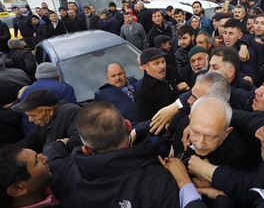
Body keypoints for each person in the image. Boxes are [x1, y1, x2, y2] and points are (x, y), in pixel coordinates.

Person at [43, 102, 180, 208]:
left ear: (85, 149)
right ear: (128, 126)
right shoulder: (160, 179)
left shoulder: (65, 172)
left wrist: (58, 144)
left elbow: (53, 160)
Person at [11, 89, 82, 153]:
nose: (30, 120)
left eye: (33, 115)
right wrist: (14, 151)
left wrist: (59, 145)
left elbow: (80, 139)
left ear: (50, 110)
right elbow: (33, 139)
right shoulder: (44, 120)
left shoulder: (71, 113)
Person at [21, 62, 77, 135]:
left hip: (34, 136)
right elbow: (71, 113)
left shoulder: (26, 91)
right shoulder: (65, 88)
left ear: (37, 78)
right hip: (60, 134)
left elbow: (26, 119)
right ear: (58, 77)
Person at [135, 48, 183, 122]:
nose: (162, 66)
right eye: (156, 63)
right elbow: (147, 123)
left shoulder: (171, 72)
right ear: (145, 67)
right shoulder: (143, 93)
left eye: (163, 62)